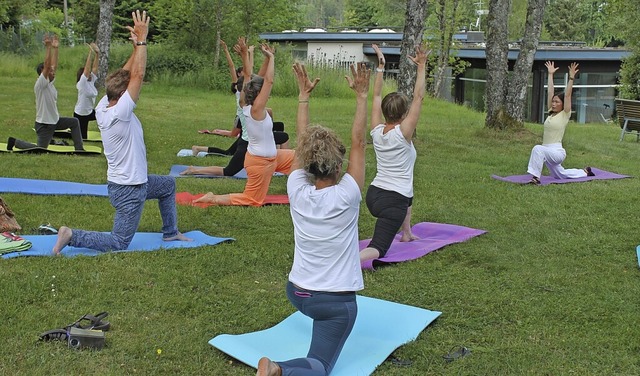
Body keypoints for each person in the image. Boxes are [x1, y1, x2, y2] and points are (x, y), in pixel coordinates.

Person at [256, 62, 370, 376]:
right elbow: (359, 142)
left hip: (297, 292)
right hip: (332, 304)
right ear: (338, 168)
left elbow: (302, 145)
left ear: (306, 163)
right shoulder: (347, 195)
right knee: (320, 367)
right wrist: (362, 96)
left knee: (319, 348)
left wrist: (303, 97)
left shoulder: (296, 188)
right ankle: (276, 369)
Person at [52, 10, 190, 255]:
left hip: (133, 183)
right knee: (118, 242)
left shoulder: (104, 104)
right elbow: (137, 75)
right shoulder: (120, 112)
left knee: (168, 185)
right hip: (129, 190)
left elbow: (126, 75)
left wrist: (136, 48)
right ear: (124, 95)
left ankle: (171, 232)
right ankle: (72, 235)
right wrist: (143, 39)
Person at [194, 40, 295, 206]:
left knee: (301, 157)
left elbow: (250, 76)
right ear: (259, 95)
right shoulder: (256, 111)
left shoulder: (245, 104)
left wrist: (247, 55)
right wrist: (271, 57)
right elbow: (268, 81)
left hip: (274, 157)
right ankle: (213, 197)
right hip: (260, 163)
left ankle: (301, 189)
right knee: (252, 200)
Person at [359, 43, 429, 263]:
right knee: (378, 249)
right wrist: (421, 67)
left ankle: (406, 232)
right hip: (392, 202)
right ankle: (344, 263)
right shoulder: (403, 133)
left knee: (407, 194)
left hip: (374, 195)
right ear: (405, 114)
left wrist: (381, 67)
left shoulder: (377, 130)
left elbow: (377, 96)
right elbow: (419, 97)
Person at [7, 34, 84, 151]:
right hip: (44, 124)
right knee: (40, 149)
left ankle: (79, 148)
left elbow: (53, 66)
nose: (54, 72)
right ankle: (15, 142)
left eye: (53, 71)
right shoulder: (41, 84)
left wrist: (56, 48)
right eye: (50, 71)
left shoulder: (50, 83)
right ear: (43, 73)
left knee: (74, 122)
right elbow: (48, 66)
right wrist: (48, 48)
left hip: (55, 121)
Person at [527, 61, 594, 184]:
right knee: (560, 175)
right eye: (553, 102)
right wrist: (551, 74)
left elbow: (567, 95)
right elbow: (550, 92)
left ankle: (535, 178)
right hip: (547, 152)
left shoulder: (565, 114)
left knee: (537, 149)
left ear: (563, 104)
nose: (553, 104)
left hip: (556, 152)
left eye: (557, 102)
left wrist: (572, 77)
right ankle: (585, 172)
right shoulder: (551, 112)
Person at [74, 42, 100, 140]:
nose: (90, 74)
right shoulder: (82, 84)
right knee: (83, 138)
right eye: (87, 74)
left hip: (89, 112)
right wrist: (90, 53)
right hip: (81, 114)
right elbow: (87, 68)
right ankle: (73, 129)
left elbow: (94, 68)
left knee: (103, 115)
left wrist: (97, 54)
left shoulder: (91, 81)